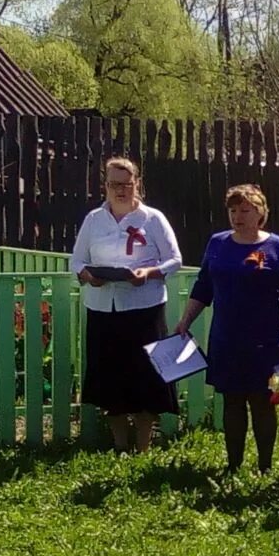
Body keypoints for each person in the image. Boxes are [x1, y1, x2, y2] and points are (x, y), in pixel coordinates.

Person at [175, 184, 279, 475]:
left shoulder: (276, 247)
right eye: (233, 210)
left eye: (245, 210)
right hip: (226, 339)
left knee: (262, 402)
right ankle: (233, 465)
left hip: (265, 342)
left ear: (261, 213)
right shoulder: (217, 243)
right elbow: (204, 287)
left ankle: (265, 466)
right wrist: (185, 321)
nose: (238, 216)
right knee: (231, 402)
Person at [69, 156, 182, 452]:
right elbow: (77, 259)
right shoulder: (94, 219)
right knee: (111, 379)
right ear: (104, 185)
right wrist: (87, 274)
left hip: (144, 310)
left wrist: (149, 272)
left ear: (137, 184)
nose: (120, 190)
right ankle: (120, 445)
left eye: (126, 184)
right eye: (114, 184)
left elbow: (175, 259)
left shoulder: (152, 218)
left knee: (145, 378)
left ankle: (143, 445)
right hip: (104, 308)